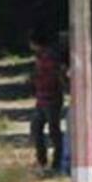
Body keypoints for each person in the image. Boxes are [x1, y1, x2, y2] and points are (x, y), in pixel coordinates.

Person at [28, 28, 65, 172]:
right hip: (42, 97)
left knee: (53, 130)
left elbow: (54, 76)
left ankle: (57, 161)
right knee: (37, 128)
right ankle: (42, 160)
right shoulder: (40, 57)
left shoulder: (49, 58)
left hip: (51, 97)